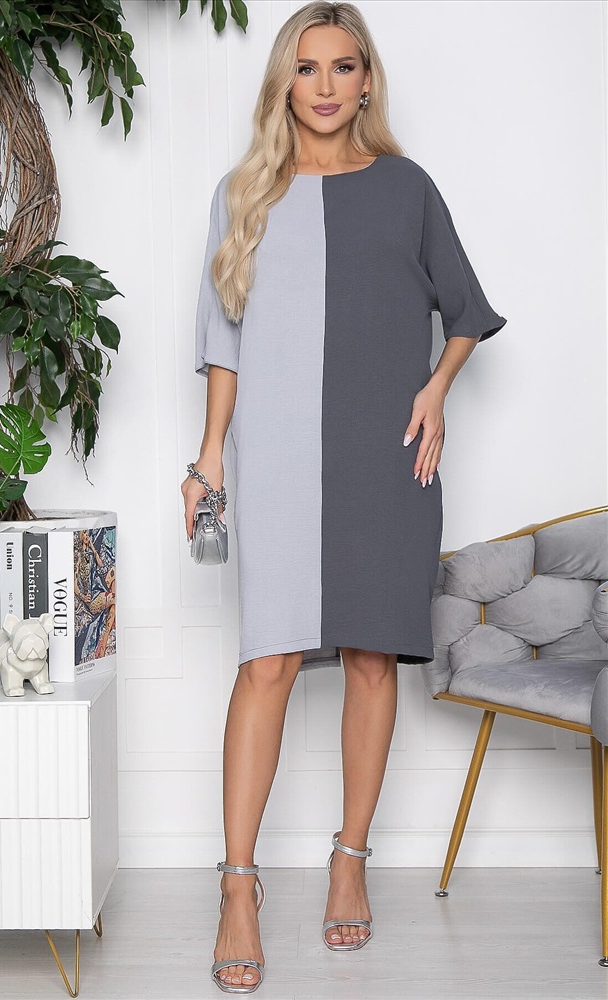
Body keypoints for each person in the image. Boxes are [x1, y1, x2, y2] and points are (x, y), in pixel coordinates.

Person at [180, 1, 507, 993]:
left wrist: (434, 389)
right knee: (267, 662)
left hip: (384, 455)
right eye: (307, 67)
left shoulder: (407, 188)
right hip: (276, 457)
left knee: (371, 658)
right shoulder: (243, 192)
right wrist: (208, 459)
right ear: (285, 82)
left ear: (366, 83)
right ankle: (238, 887)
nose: (324, 86)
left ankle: (348, 861)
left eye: (343, 67)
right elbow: (223, 345)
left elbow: (464, 309)